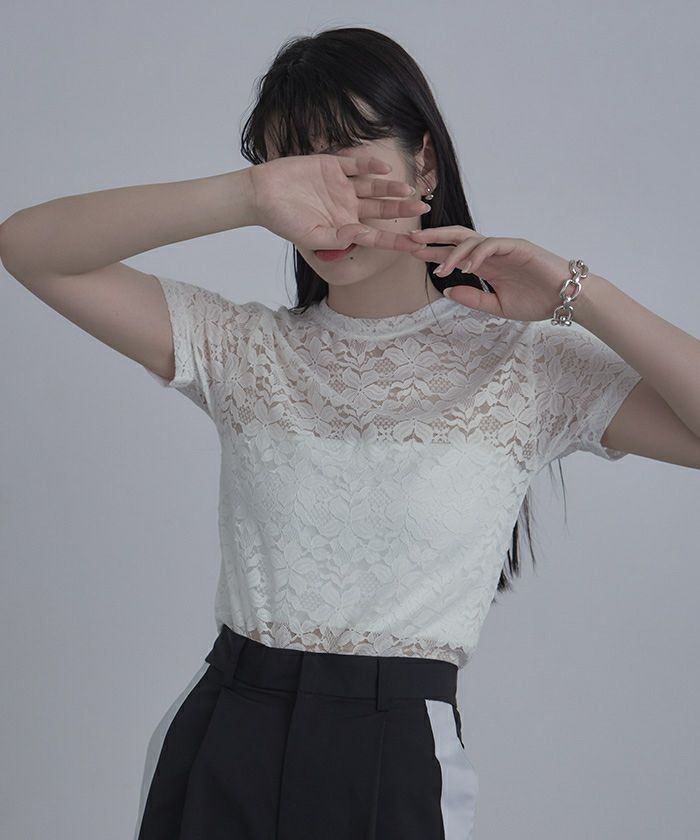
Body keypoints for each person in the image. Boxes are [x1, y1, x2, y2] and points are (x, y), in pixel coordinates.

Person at [2, 25, 698, 840]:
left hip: (394, 750)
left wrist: (575, 293)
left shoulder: (528, 367)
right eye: (296, 172)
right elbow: (31, 248)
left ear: (424, 165)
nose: (326, 203)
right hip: (225, 733)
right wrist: (246, 195)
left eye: (348, 162)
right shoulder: (242, 348)